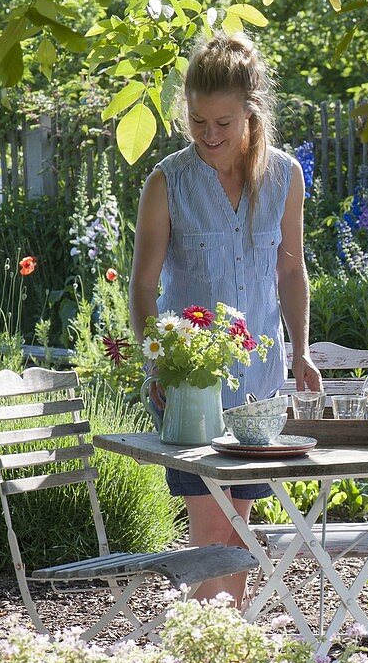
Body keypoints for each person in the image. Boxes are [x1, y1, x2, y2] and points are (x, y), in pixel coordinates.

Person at [129, 31, 322, 607]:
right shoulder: (168, 182)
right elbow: (142, 287)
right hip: (190, 386)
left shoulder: (286, 178)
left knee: (238, 531)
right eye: (198, 122)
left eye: (224, 123)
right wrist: (159, 360)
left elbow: (291, 272)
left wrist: (301, 350)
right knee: (211, 532)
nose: (210, 136)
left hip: (259, 387)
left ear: (251, 112)